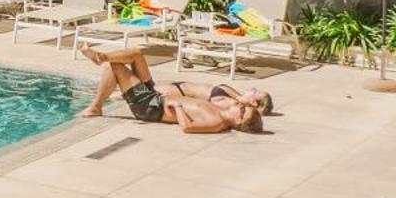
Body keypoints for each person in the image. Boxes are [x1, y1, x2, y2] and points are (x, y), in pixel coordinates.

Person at [77, 42, 271, 133]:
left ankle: (96, 106)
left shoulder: (216, 122)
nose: (240, 106)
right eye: (243, 107)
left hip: (150, 106)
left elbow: (187, 127)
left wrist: (177, 107)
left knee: (117, 67)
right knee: (136, 53)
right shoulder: (221, 112)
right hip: (156, 98)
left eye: (243, 110)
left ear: (238, 120)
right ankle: (102, 57)